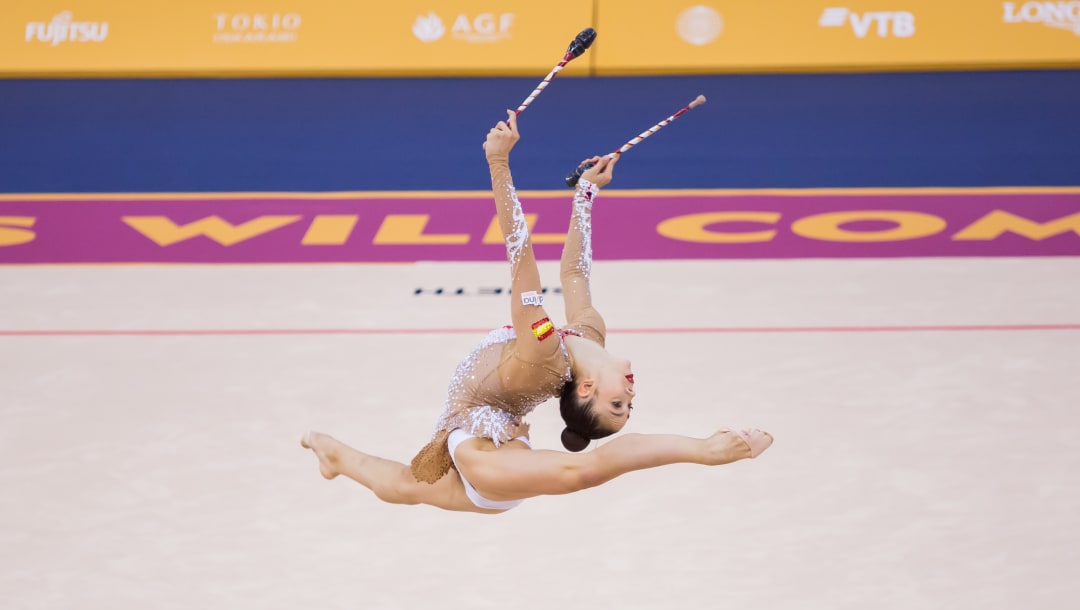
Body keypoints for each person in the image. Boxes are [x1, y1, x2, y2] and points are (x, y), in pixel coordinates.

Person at [301, 110, 772, 514]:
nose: (630, 394)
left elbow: (521, 256)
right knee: (408, 486)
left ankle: (338, 458)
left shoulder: (543, 346)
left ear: (585, 388)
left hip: (486, 452)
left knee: (562, 473)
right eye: (629, 407)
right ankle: (336, 456)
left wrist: (498, 161)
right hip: (499, 449)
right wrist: (586, 194)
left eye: (616, 405)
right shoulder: (589, 333)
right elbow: (574, 274)